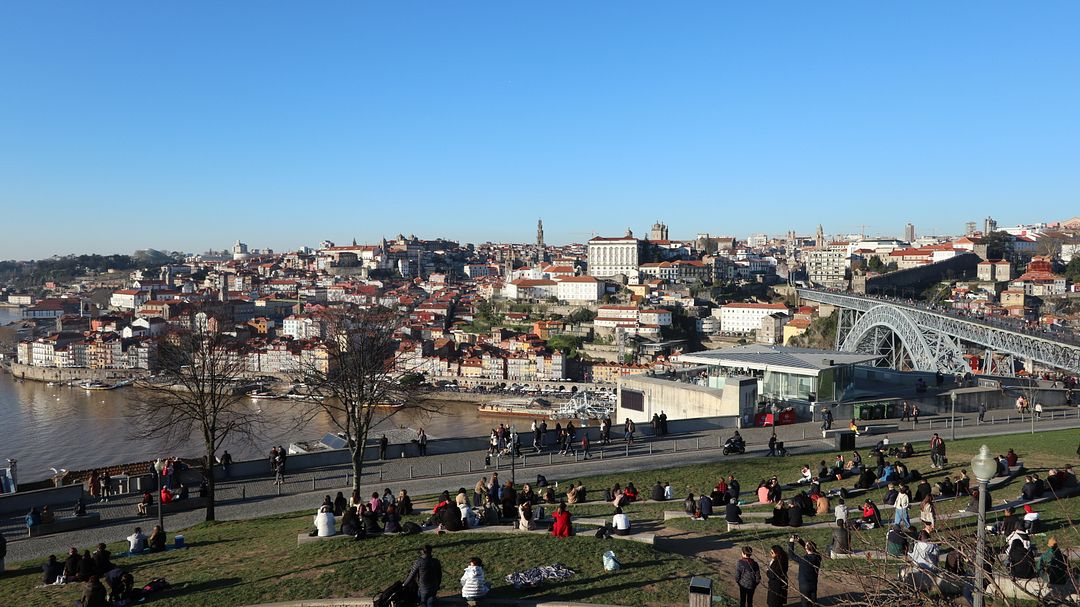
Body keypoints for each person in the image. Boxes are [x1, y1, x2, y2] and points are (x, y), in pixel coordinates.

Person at [788, 535, 821, 607]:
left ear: (806, 549)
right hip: (813, 583)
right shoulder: (818, 557)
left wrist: (791, 542)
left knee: (805, 603)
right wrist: (800, 541)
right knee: (813, 602)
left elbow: (791, 556)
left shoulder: (803, 559)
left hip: (804, 585)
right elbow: (810, 550)